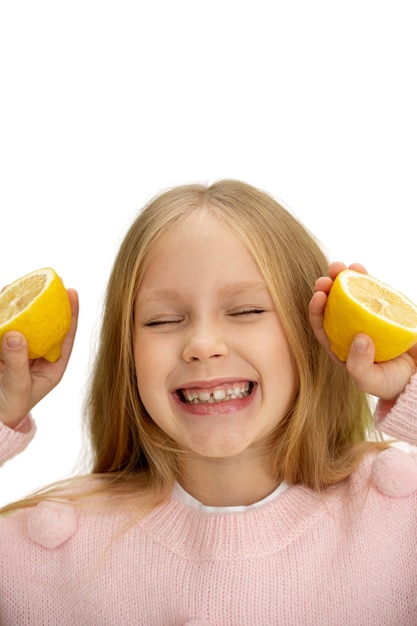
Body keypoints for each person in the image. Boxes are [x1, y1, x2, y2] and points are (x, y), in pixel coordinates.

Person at [0, 180, 416, 625]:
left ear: (312, 335)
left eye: (246, 311)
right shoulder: (36, 557)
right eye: (163, 320)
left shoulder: (400, 525)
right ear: (128, 355)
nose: (202, 344)